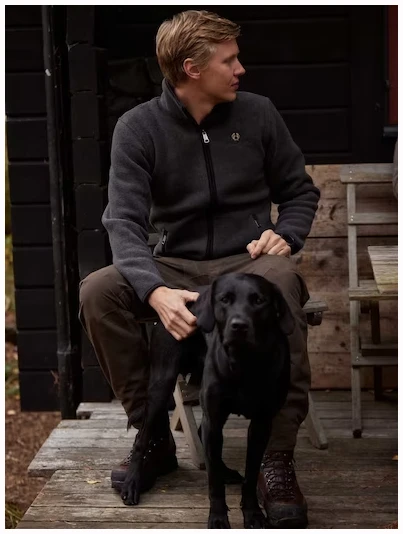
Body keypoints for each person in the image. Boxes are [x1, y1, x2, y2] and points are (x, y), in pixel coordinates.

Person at [79, 10, 320, 529]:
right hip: (172, 263)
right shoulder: (138, 128)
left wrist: (286, 234)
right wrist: (153, 291)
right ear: (191, 69)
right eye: (228, 60)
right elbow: (122, 221)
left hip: (247, 262)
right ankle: (153, 437)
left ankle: (276, 458)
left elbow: (299, 192)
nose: (240, 69)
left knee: (283, 280)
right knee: (98, 291)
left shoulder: (258, 114)